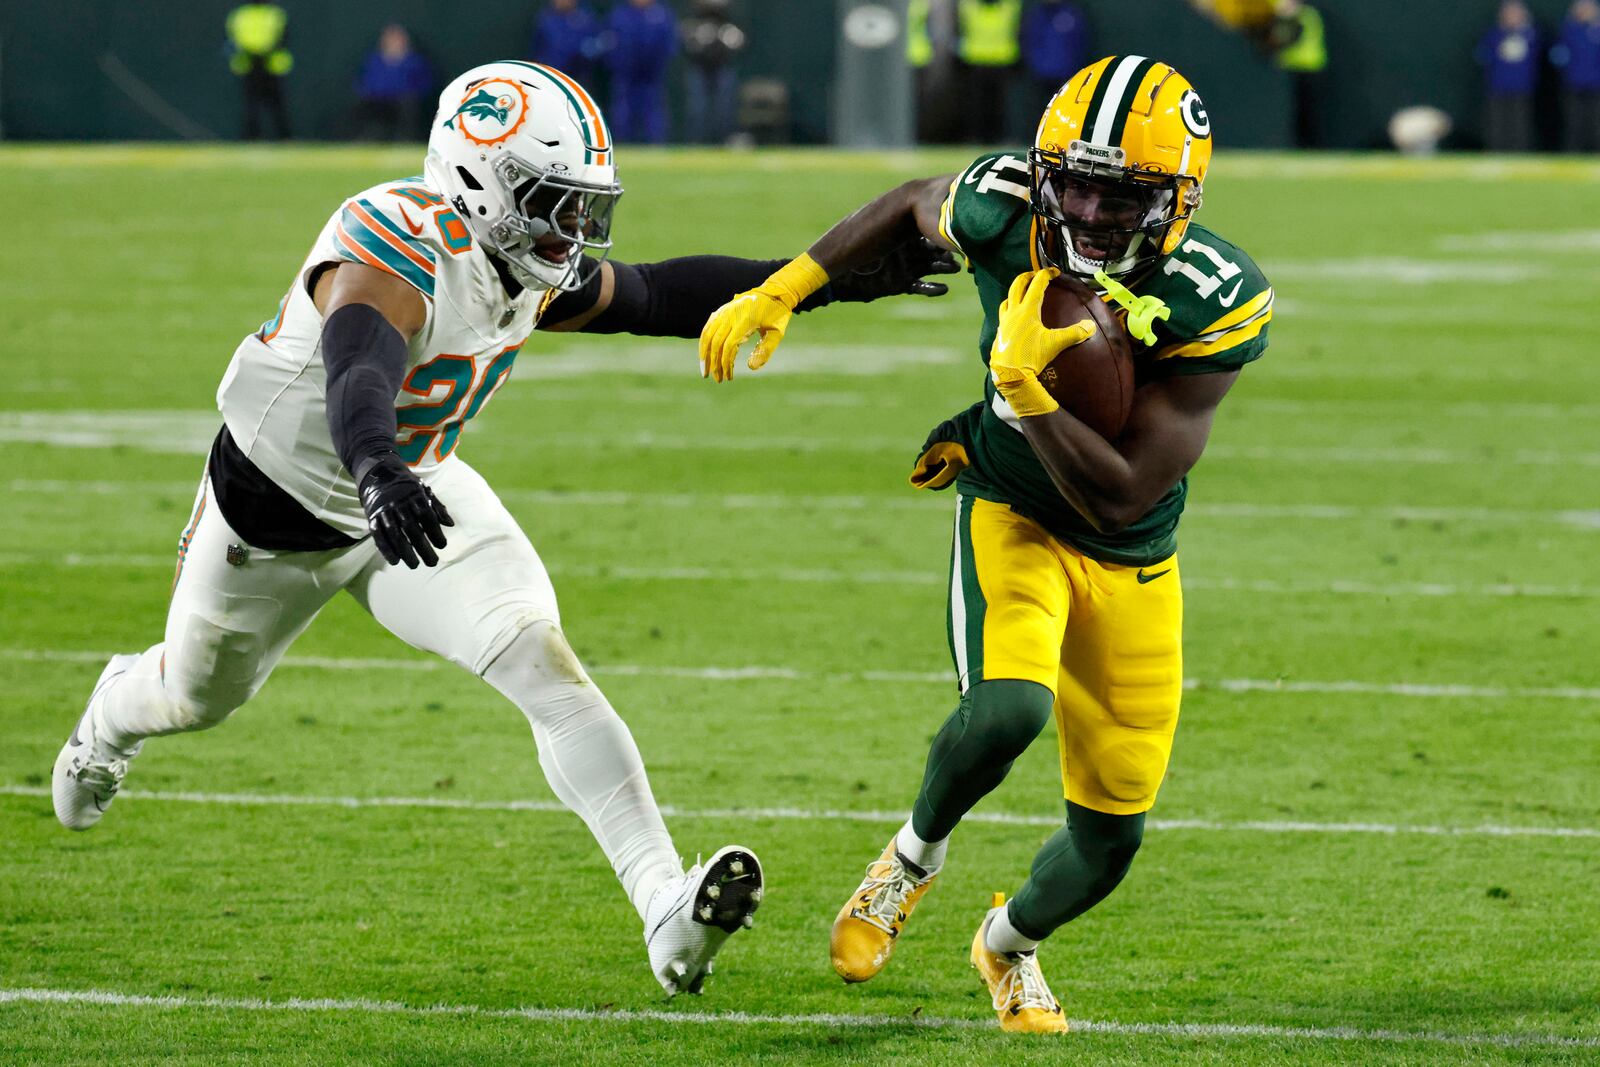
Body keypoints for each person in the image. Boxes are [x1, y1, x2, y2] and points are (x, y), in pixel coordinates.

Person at [50, 61, 956, 998]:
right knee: (193, 696)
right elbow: (358, 363)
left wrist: (832, 281)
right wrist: (373, 468)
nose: (572, 230)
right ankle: (108, 720)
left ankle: (666, 913)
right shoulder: (394, 241)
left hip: (419, 493)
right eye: (552, 204)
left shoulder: (510, 255)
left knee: (542, 663)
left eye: (580, 207)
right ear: (481, 183)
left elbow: (653, 295)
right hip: (279, 516)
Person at [699, 54, 1272, 1033]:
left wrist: (1023, 393)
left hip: (1129, 547)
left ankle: (1006, 945)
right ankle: (906, 863)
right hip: (1009, 512)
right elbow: (910, 202)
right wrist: (787, 287)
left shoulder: (1214, 295)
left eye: (1118, 190)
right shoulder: (1006, 202)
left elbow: (1125, 492)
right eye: (1074, 180)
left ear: (1176, 197)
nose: (1087, 209)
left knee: (1109, 841)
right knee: (1007, 709)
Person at [606, 0, 679, 143]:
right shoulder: (620, 14)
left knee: (653, 110)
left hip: (652, 74)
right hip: (625, 73)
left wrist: (658, 64)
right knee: (623, 110)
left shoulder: (662, 14)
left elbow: (669, 44)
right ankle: (621, 143)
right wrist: (618, 62)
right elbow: (610, 42)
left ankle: (655, 144)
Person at [1478, 0, 1542, 151]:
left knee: (1520, 121)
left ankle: (1520, 150)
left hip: (1521, 86)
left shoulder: (1530, 34)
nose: (1512, 17)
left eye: (1516, 13)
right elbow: (1485, 55)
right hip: (1498, 85)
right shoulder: (1494, 35)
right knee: (1498, 121)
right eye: (1509, 13)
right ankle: (1497, 149)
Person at [681, 0, 747, 145]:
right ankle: (695, 143)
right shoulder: (695, 24)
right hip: (699, 68)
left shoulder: (727, 27)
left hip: (722, 67)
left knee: (724, 108)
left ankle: (724, 141)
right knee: (698, 109)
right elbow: (686, 42)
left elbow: (739, 41)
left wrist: (723, 41)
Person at [957, 0, 1023, 143]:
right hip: (976, 61)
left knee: (1000, 105)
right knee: (977, 105)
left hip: (1002, 61)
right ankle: (976, 137)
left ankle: (1000, 137)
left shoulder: (1009, 6)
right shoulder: (969, 6)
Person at [356, 24, 434, 142]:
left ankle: (406, 139)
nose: (394, 42)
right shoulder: (375, 60)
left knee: (408, 107)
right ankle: (370, 138)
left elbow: (424, 83)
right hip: (378, 101)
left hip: (403, 102)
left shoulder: (414, 61)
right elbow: (365, 82)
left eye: (397, 39)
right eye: (391, 39)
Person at [226, 2, 293, 140]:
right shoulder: (241, 15)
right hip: (249, 65)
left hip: (272, 66)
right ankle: (252, 137)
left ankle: (284, 138)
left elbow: (283, 37)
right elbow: (232, 39)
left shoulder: (275, 14)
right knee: (251, 105)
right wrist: (251, 54)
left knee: (277, 105)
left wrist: (265, 53)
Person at [1269, 0, 1327, 149]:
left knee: (1310, 112)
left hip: (1309, 68)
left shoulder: (1304, 16)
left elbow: (1290, 38)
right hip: (1297, 69)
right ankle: (1300, 145)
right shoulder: (1303, 16)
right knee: (1297, 113)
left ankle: (1311, 145)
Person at [1021, 1, 1088, 113]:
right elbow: (1030, 42)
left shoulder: (1071, 14)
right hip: (1040, 78)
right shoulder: (1036, 16)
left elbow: (1079, 44)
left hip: (1066, 77)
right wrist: (1037, 67)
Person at [1551, 0, 1600, 152]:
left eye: (1588, 8)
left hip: (1596, 85)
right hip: (1572, 84)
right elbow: (1557, 54)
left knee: (1596, 121)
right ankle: (1573, 151)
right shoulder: (1568, 30)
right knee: (1573, 121)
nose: (1585, 12)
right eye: (1581, 8)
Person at [532, 0, 603, 85]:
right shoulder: (545, 20)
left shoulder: (586, 19)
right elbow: (537, 52)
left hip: (578, 79)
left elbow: (599, 45)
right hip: (551, 78)